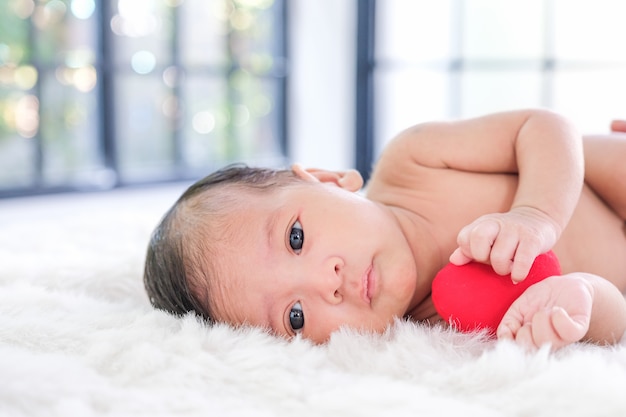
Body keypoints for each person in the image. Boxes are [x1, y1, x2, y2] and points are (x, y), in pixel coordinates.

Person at [144, 109, 626, 350]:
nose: (325, 282)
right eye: (294, 316)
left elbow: (542, 127)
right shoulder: (434, 331)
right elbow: (614, 327)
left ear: (328, 179)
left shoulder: (413, 160)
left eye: (296, 239)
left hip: (601, 184)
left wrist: (535, 215)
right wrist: (579, 298)